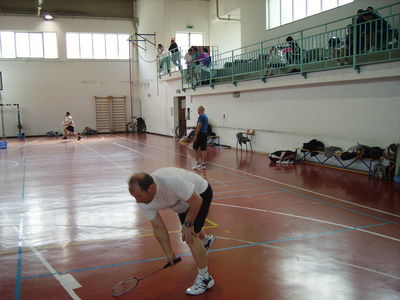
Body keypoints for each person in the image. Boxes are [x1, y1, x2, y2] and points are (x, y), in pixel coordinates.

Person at [128, 167, 216, 295]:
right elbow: (158, 227)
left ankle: (206, 278)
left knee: (189, 236)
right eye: (135, 197)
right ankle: (206, 241)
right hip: (181, 204)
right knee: (191, 230)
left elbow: (196, 201)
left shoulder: (171, 182)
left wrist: (188, 224)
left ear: (151, 188)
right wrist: (168, 252)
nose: (137, 201)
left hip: (200, 194)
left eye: (139, 196)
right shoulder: (143, 202)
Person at [192, 106, 208, 170]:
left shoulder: (201, 116)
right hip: (205, 134)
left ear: (200, 110)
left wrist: (196, 135)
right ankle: (203, 165)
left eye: (198, 110)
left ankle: (198, 164)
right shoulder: (205, 116)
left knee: (195, 148)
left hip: (200, 134)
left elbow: (199, 126)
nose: (197, 111)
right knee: (203, 149)